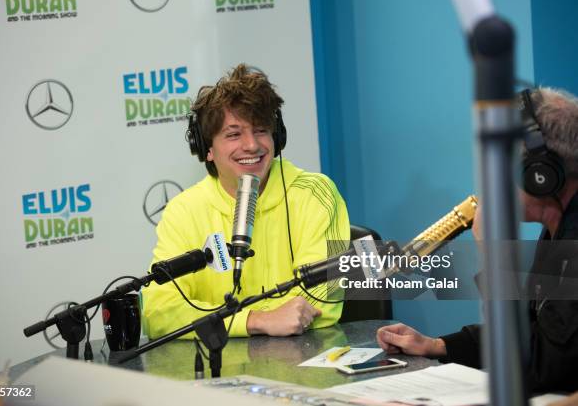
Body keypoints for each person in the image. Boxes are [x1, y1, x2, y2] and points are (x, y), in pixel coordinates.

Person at [376, 87, 578, 392]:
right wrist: (438, 346)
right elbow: (532, 330)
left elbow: (535, 367)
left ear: (541, 174)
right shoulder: (557, 229)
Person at [142, 64, 350, 339]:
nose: (252, 145)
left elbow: (323, 300)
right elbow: (159, 311)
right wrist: (255, 320)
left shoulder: (316, 194)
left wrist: (219, 320)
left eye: (261, 130)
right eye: (234, 134)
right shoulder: (183, 210)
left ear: (277, 137)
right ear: (207, 149)